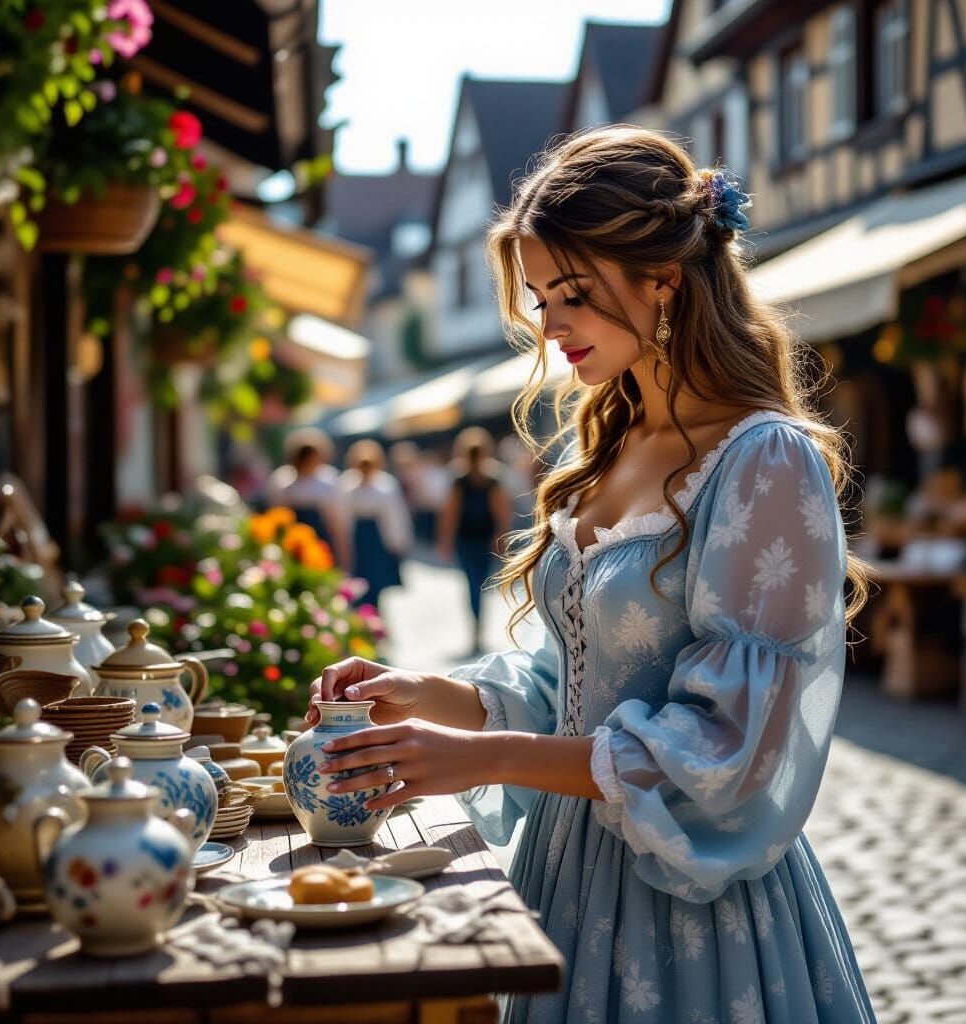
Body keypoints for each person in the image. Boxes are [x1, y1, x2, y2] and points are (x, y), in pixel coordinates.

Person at [307, 127, 875, 1023]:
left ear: (665, 279)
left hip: (691, 912)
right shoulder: (601, 448)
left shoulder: (765, 461)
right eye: (538, 298)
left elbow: (727, 747)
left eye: (570, 293)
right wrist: (422, 694)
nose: (549, 324)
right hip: (563, 875)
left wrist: (478, 758)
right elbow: (562, 685)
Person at [437, 426, 513, 655]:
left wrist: (445, 541)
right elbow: (502, 515)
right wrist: (502, 540)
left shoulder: (462, 479)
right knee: (479, 586)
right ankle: (478, 631)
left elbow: (450, 514)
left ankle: (476, 630)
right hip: (480, 539)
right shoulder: (491, 478)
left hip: (469, 540)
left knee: (473, 587)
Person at [337, 439, 413, 610]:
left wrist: (398, 542)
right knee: (360, 578)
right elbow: (343, 517)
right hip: (359, 537)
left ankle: (373, 611)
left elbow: (395, 515)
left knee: (377, 580)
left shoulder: (385, 484)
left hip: (377, 538)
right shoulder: (347, 484)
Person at [264, 428, 352, 572]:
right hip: (292, 544)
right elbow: (276, 515)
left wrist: (344, 556)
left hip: (321, 543)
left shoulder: (328, 480)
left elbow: (338, 522)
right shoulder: (282, 480)